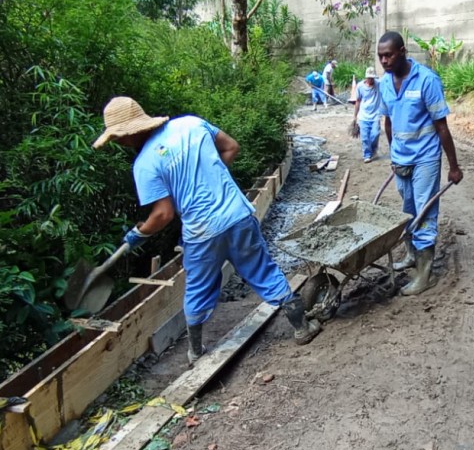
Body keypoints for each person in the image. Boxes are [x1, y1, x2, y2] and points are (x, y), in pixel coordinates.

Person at [92, 97, 321, 364]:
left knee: (197, 290)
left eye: (118, 137)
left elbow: (163, 214)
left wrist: (139, 233)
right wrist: (210, 179)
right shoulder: (190, 124)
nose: (118, 143)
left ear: (129, 134)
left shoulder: (144, 164)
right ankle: (301, 328)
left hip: (202, 233)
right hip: (237, 216)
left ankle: (196, 352)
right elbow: (231, 147)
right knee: (264, 270)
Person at [377, 31, 463, 295]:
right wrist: (393, 156)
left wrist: (453, 166)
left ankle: (426, 275)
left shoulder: (426, 80)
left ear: (402, 51)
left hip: (425, 158)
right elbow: (388, 122)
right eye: (381, 56)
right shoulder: (384, 84)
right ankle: (412, 255)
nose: (384, 61)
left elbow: (441, 126)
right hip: (401, 159)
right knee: (408, 209)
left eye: (388, 55)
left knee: (425, 212)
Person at [352, 67, 383, 163]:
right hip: (364, 116)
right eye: (369, 78)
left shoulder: (379, 84)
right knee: (365, 137)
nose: (371, 80)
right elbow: (358, 101)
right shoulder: (360, 86)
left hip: (375, 115)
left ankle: (373, 149)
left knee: (375, 134)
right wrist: (355, 116)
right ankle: (367, 154)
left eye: (372, 78)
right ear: (366, 77)